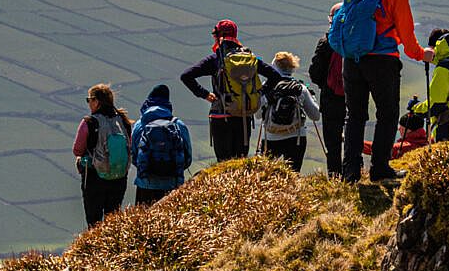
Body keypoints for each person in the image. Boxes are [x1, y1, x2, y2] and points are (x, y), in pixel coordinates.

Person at [336, 0, 434, 185]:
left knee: (355, 115)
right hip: (382, 59)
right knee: (388, 114)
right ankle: (380, 168)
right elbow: (406, 35)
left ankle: (350, 172)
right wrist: (422, 54)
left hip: (352, 58)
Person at [180, 20, 282, 162]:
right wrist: (258, 93)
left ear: (217, 36)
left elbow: (186, 76)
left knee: (223, 162)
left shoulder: (215, 59)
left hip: (220, 115)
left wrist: (204, 94)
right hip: (244, 115)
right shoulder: (250, 59)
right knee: (240, 161)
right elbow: (275, 76)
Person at [72, 84, 132, 226]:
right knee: (113, 220)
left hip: (95, 176)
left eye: (89, 100)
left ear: (96, 101)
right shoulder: (123, 121)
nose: (88, 103)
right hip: (119, 176)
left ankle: (95, 248)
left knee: (94, 221)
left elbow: (77, 150)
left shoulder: (89, 122)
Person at [130, 84, 193, 205]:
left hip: (146, 185)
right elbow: (188, 157)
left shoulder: (140, 125)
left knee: (143, 221)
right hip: (173, 185)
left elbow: (133, 155)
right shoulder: (178, 125)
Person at [260, 53, 321, 172]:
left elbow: (258, 115)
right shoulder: (300, 88)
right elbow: (315, 115)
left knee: (267, 175)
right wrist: (312, 97)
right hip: (296, 137)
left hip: (271, 137)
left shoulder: (267, 86)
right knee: (294, 173)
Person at [308, 8, 347, 179]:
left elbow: (315, 72)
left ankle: (335, 176)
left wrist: (325, 84)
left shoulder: (326, 42)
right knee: (354, 136)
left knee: (333, 142)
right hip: (353, 96)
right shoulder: (356, 39)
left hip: (330, 98)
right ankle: (354, 172)